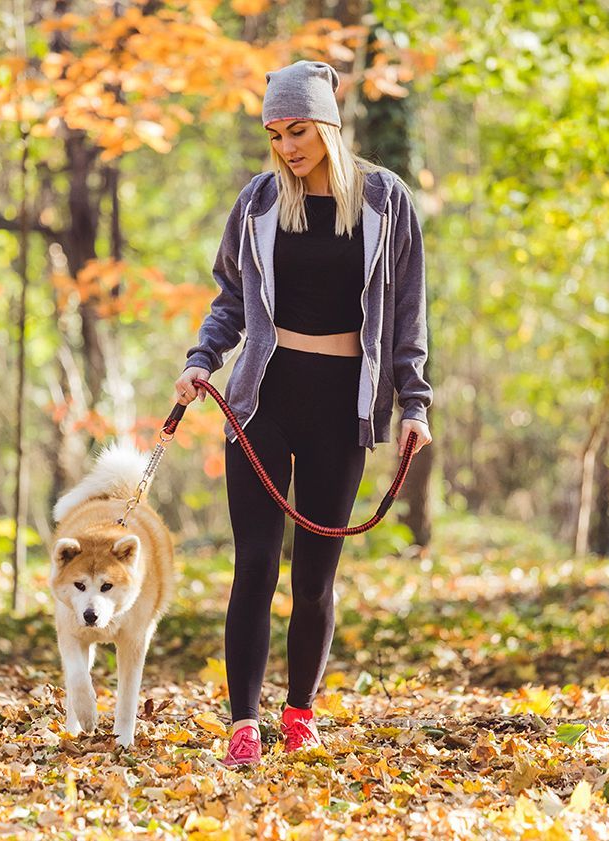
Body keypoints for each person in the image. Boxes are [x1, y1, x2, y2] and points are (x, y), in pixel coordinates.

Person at [173, 59, 433, 768]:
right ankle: (242, 724)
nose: (287, 147)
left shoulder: (384, 201)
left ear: (327, 124)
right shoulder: (259, 201)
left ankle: (300, 714)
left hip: (343, 404)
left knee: (315, 577)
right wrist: (203, 358)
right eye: (275, 134)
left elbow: (408, 311)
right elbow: (230, 296)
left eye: (298, 131)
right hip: (264, 395)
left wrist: (415, 401)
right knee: (255, 563)